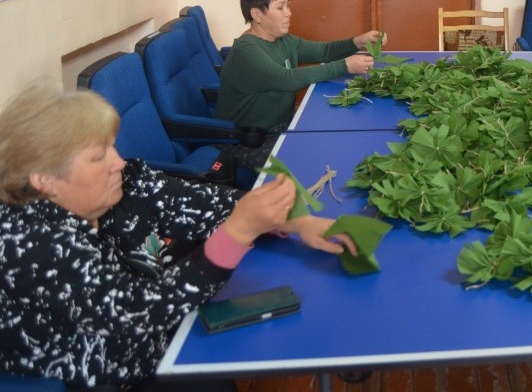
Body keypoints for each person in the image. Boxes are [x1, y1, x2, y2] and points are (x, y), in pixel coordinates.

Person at [0, 83, 358, 389]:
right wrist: (238, 232)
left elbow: (208, 203)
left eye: (113, 146)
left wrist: (293, 221)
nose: (119, 162)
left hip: (157, 335)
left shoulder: (128, 183)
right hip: (108, 373)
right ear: (44, 179)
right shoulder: (29, 244)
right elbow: (135, 311)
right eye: (98, 157)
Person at [215, 0, 381, 170]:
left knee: (330, 143)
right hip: (248, 141)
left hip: (282, 126)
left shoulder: (283, 40)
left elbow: (324, 51)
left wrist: (357, 42)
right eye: (280, 7)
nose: (289, 13)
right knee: (313, 162)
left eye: (288, 5)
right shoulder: (247, 50)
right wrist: (345, 66)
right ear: (257, 14)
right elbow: (287, 80)